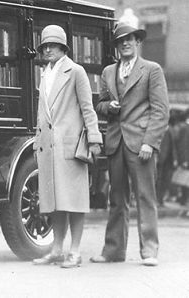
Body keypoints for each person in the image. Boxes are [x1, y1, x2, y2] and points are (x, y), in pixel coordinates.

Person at [91, 22, 169, 267]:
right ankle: (113, 250)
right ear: (116, 46)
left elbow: (160, 111)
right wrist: (108, 107)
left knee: (146, 197)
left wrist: (150, 143)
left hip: (141, 144)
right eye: (120, 40)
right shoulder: (108, 72)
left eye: (130, 39)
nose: (125, 43)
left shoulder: (152, 70)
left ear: (138, 42)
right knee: (117, 197)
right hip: (116, 142)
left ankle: (149, 251)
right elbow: (100, 105)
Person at [32, 25, 103, 269]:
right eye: (45, 46)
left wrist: (94, 139)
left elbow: (87, 108)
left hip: (71, 147)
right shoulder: (45, 73)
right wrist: (36, 140)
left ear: (63, 47)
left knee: (74, 200)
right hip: (49, 148)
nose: (48, 49)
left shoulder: (76, 71)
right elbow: (43, 113)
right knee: (54, 201)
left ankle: (75, 251)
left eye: (53, 45)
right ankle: (57, 249)